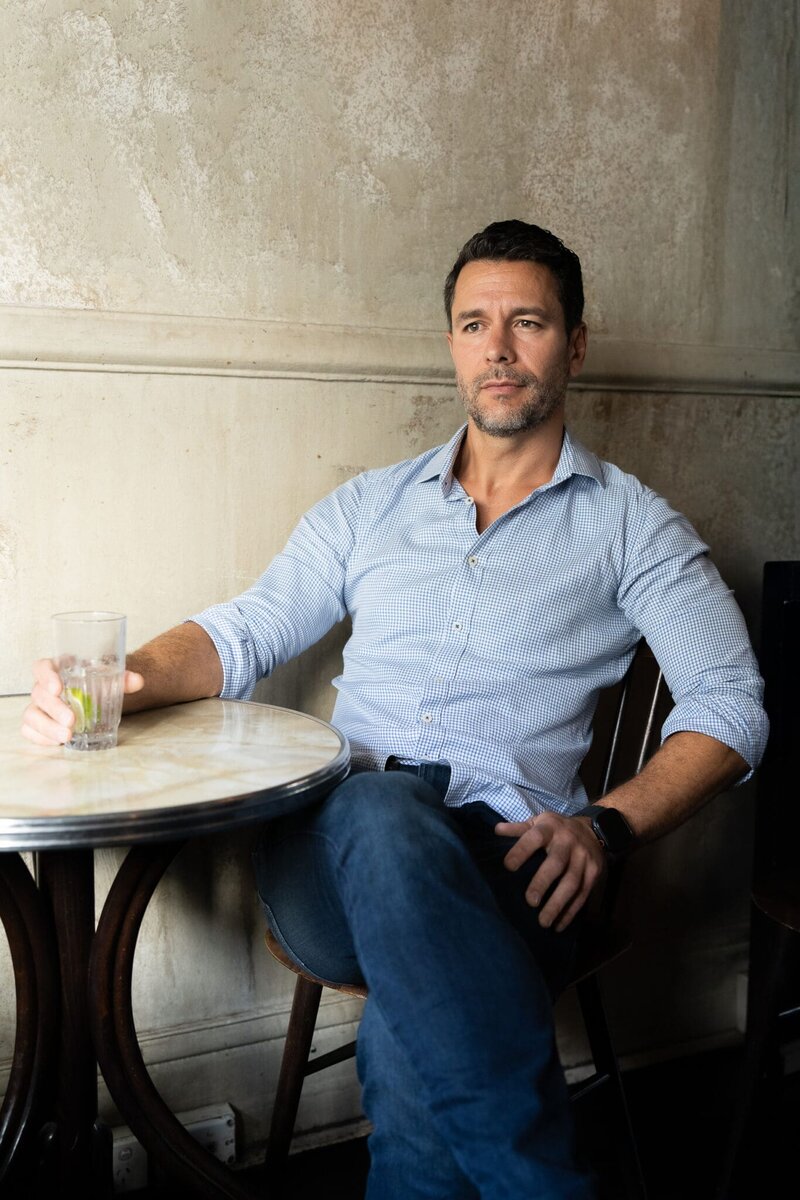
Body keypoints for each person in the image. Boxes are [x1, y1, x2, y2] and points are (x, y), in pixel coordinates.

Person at [23, 220, 768, 1199]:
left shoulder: (634, 527)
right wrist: (123, 677)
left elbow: (731, 705)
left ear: (574, 344)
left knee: (413, 1037)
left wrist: (605, 826)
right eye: (474, 324)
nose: (497, 349)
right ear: (451, 344)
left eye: (528, 322)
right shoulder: (369, 506)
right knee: (379, 805)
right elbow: (247, 630)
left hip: (513, 863)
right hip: (330, 859)